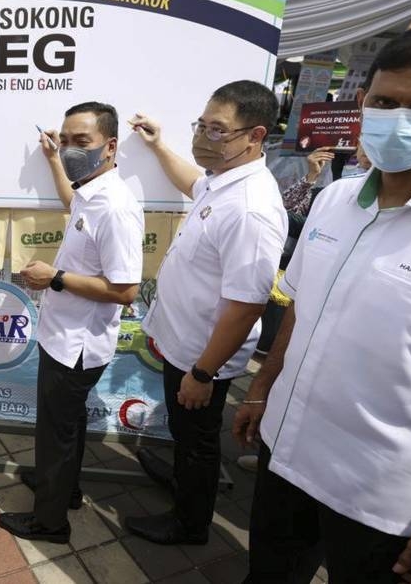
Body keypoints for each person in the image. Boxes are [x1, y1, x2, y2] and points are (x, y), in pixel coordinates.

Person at [234, 19, 411, 584]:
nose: (401, 118)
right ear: (363, 103)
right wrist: (263, 389)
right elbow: (301, 307)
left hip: (384, 503)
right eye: (385, 101)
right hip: (286, 452)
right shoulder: (336, 199)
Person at [124, 81, 287, 545]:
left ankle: (190, 523)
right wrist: (159, 146)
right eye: (201, 125)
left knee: (197, 439)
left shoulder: (251, 209)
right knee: (185, 430)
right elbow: (191, 182)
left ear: (255, 136)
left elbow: (247, 305)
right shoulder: (223, 181)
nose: (202, 137)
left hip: (203, 356)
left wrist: (203, 372)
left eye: (217, 130)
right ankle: (181, 480)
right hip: (186, 345)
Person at [0, 102, 143, 543]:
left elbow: (126, 290)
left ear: (110, 145)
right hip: (63, 336)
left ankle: (50, 521)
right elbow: (72, 202)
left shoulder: (115, 207)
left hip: (76, 345)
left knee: (55, 433)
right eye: (65, 140)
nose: (70, 149)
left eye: (82, 141)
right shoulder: (91, 191)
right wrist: (52, 160)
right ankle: (63, 489)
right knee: (67, 426)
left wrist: (54, 277)